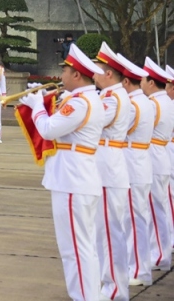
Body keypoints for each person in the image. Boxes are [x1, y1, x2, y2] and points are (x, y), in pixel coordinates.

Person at [18, 44, 105, 301]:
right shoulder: (85, 99)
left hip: (72, 180)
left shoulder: (79, 103)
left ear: (76, 75)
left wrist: (37, 106)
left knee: (74, 249)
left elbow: (47, 129)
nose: (61, 76)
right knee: (85, 247)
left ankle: (85, 297)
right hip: (78, 178)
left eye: (65, 71)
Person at [94, 42, 137, 301]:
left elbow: (91, 122)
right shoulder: (114, 96)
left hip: (108, 167)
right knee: (106, 231)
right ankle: (110, 286)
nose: (93, 75)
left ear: (109, 73)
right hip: (109, 163)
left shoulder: (112, 98)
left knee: (109, 233)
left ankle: (113, 291)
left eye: (97, 71)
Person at [118, 53, 157, 288]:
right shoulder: (144, 101)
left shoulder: (133, 105)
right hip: (141, 161)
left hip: (133, 162)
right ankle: (140, 268)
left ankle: (138, 270)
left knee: (133, 220)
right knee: (138, 218)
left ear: (125, 82)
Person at [143, 59, 174, 273]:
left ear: (152, 82)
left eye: (143, 80)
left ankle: (160, 254)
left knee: (156, 210)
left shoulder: (154, 104)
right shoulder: (164, 101)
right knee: (160, 207)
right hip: (160, 153)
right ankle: (161, 251)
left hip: (154, 155)